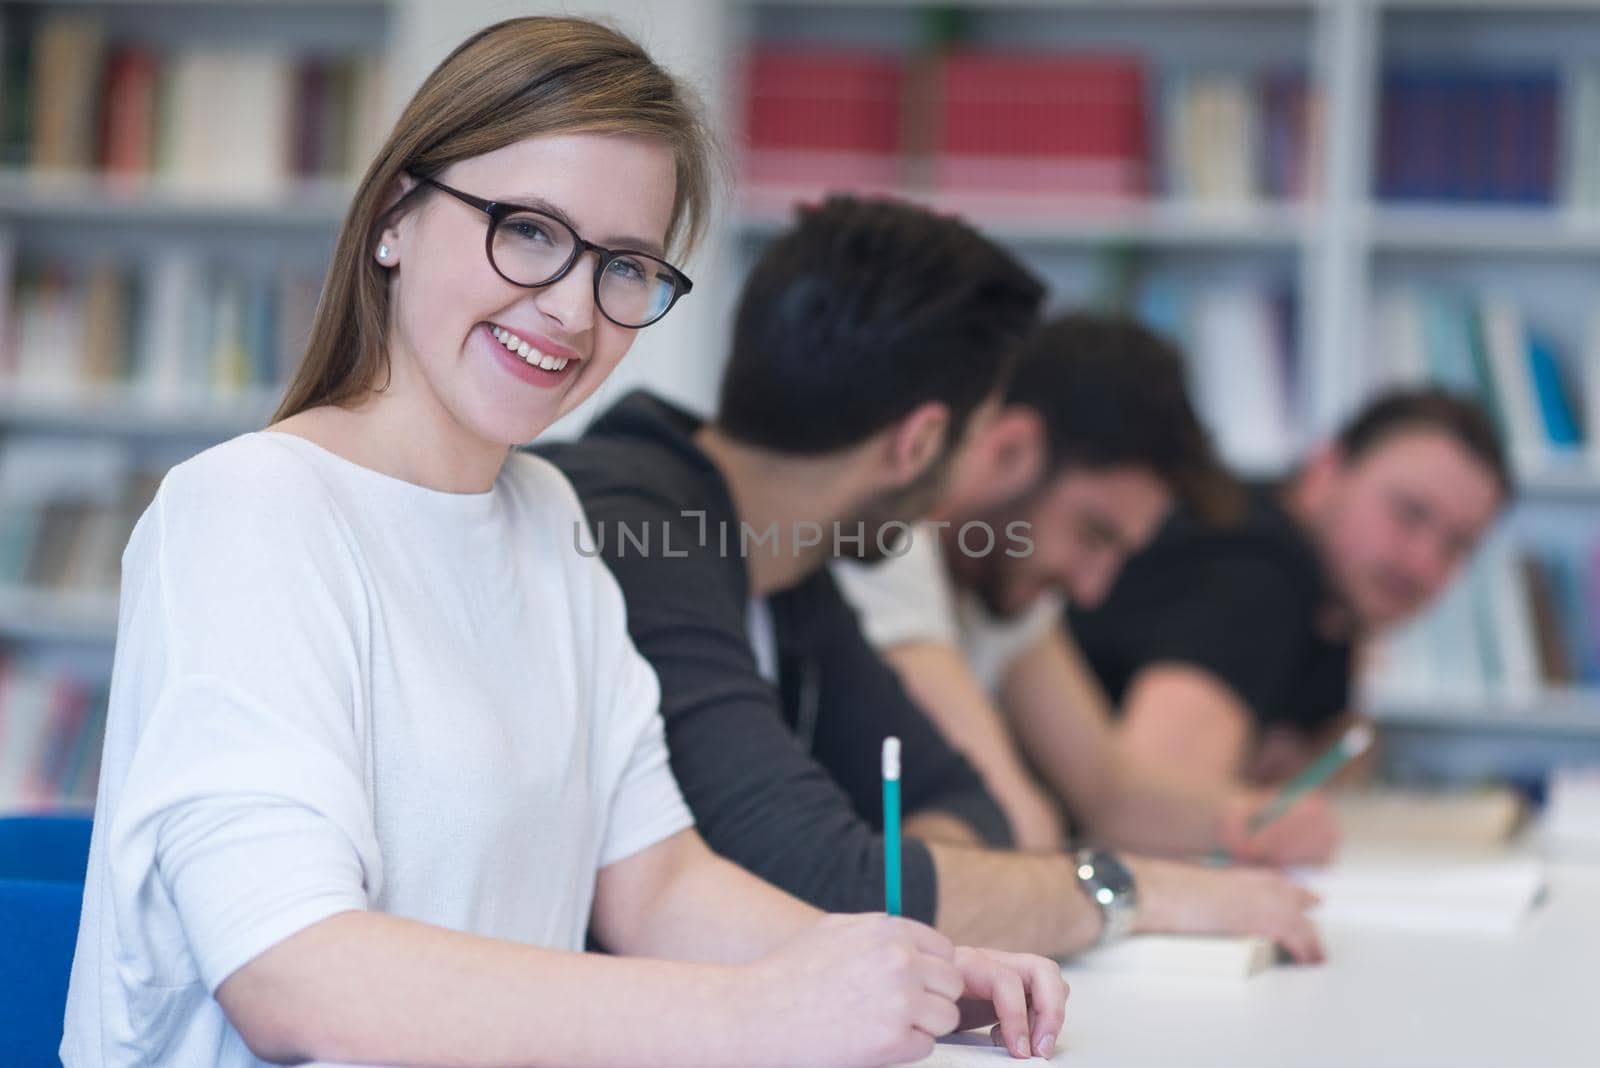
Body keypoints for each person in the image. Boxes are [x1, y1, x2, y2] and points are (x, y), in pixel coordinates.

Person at [61, 19, 1066, 1068]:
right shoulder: (248, 509)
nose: (572, 310)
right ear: (395, 216)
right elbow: (291, 972)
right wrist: (748, 1015)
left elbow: (656, 884)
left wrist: (918, 970)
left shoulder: (551, 519)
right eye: (530, 231)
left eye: (624, 267)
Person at [543, 197, 1326, 970]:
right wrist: (1130, 891)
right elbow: (831, 880)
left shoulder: (789, 569)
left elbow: (958, 805)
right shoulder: (635, 529)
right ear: (920, 444)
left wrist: (919, 881)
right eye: (980, 433)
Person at [833, 313, 1339, 863]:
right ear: (1012, 449)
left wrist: (1247, 819)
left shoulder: (999, 579)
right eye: (1093, 534)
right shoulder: (887, 543)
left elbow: (1108, 791)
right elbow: (1016, 819)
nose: (1092, 588)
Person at [1068, 387, 1510, 786]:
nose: (1424, 563)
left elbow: (1345, 740)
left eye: (1457, 545)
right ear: (1325, 471)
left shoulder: (1329, 601)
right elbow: (1154, 814)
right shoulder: (1257, 572)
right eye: (1409, 513)